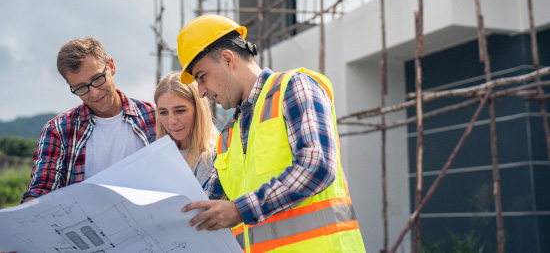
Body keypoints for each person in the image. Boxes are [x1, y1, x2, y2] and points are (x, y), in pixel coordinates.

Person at [177, 15, 366, 252]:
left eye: (201, 77)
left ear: (227, 59)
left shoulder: (294, 87)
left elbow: (318, 165)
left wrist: (239, 210)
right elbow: (205, 204)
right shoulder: (229, 137)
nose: (202, 91)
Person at [21, 37, 156, 203]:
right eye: (81, 88)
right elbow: (42, 187)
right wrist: (31, 210)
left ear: (111, 67)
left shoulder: (154, 117)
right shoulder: (57, 130)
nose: (94, 93)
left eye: (97, 79)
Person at [154, 72, 218, 186]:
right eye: (163, 112)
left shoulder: (209, 157)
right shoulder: (157, 155)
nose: (172, 121)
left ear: (198, 109)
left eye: (180, 111)